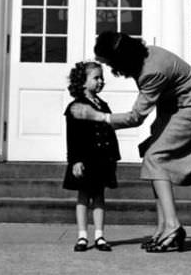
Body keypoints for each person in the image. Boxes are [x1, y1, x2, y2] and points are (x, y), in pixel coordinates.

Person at [70, 32, 191, 253]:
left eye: (108, 62)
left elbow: (136, 118)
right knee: (154, 157)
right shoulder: (144, 58)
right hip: (173, 105)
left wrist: (97, 116)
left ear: (120, 59)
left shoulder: (151, 71)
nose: (107, 68)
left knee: (155, 158)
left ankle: (173, 227)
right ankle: (162, 228)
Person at [63, 60, 121, 252]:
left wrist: (114, 156)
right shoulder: (76, 107)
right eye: (96, 78)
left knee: (99, 196)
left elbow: (109, 131)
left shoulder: (103, 105)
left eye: (102, 78)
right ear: (82, 81)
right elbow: (73, 137)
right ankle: (82, 236)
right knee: (83, 197)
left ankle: (99, 235)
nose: (100, 81)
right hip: (85, 160)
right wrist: (75, 160)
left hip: (102, 159)